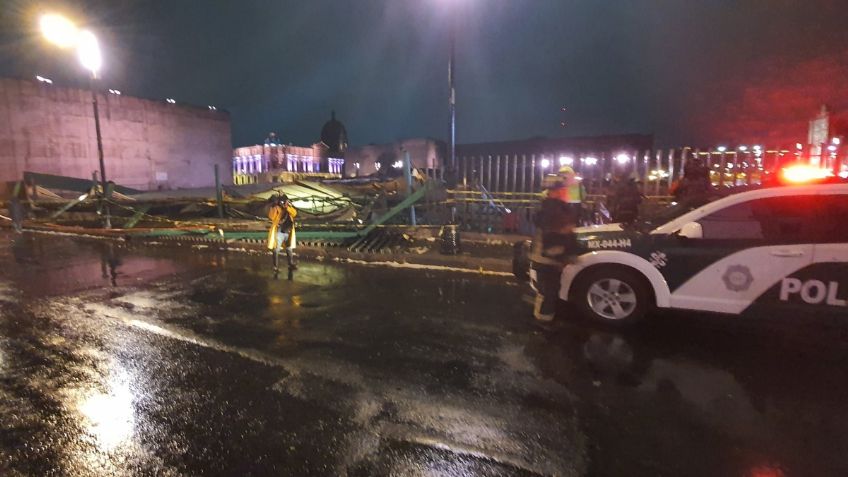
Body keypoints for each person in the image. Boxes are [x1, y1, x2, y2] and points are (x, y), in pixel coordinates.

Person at [529, 178, 580, 322]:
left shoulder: (559, 207)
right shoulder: (549, 209)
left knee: (552, 289)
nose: (564, 191)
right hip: (545, 258)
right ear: (553, 191)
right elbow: (552, 235)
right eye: (560, 189)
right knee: (547, 291)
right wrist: (559, 255)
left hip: (552, 257)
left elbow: (567, 233)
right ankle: (542, 322)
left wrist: (568, 253)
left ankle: (547, 318)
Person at [267, 193, 298, 273]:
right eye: (283, 201)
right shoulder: (276, 207)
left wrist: (287, 207)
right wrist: (274, 206)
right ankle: (275, 267)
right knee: (276, 249)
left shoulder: (289, 207)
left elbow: (294, 213)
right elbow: (271, 217)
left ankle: (290, 264)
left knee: (289, 248)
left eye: (285, 201)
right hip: (279, 231)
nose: (284, 203)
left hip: (288, 231)